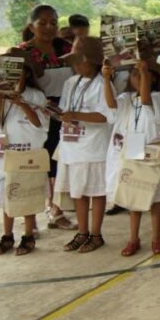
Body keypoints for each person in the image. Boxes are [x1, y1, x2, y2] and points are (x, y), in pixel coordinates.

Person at [102, 59, 160, 257]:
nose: (137, 79)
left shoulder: (157, 96)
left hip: (150, 146)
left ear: (153, 78)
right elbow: (110, 103)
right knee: (134, 194)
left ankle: (156, 237)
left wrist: (144, 72)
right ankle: (134, 238)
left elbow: (145, 98)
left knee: (154, 197)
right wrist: (106, 79)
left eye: (143, 75)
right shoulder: (125, 97)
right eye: (134, 75)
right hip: (132, 145)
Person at [55, 37, 116, 253]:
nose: (76, 65)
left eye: (80, 60)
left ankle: (96, 234)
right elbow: (64, 110)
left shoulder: (103, 83)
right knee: (77, 192)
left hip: (94, 146)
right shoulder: (71, 83)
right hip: (72, 146)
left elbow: (106, 116)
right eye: (74, 61)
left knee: (96, 192)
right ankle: (82, 232)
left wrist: (75, 115)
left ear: (93, 61)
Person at [17, 4, 75, 231]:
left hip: (66, 111)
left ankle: (56, 210)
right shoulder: (21, 52)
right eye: (43, 23)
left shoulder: (67, 48)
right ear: (31, 26)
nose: (49, 27)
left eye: (53, 22)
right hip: (36, 113)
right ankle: (29, 215)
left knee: (58, 160)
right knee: (35, 161)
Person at [0, 51, 47, 256]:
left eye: (16, 72)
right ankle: (7, 235)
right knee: (7, 195)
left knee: (26, 194)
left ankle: (28, 235)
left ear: (26, 74)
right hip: (6, 154)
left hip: (27, 152)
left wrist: (22, 104)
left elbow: (40, 124)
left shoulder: (36, 96)